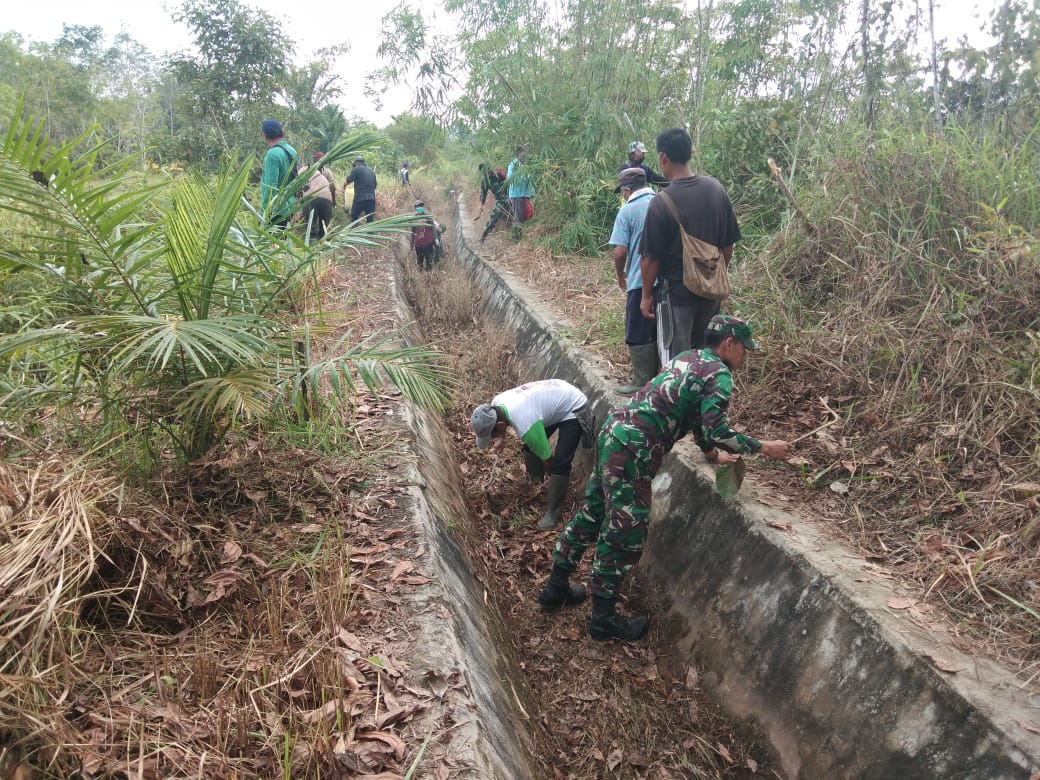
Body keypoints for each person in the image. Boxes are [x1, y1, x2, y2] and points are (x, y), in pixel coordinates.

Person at [536, 314, 791, 639]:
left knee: (593, 512)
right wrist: (765, 447)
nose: (745, 356)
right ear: (730, 343)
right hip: (635, 450)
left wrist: (711, 455)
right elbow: (717, 428)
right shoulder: (720, 375)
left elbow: (696, 416)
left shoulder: (688, 358)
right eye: (744, 348)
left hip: (615, 432)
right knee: (624, 534)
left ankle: (555, 586)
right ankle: (603, 620)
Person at [639, 128, 741, 364]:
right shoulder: (716, 190)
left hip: (677, 296)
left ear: (663, 157)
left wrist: (646, 296)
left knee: (677, 361)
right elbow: (728, 244)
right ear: (689, 154)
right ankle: (702, 397)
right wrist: (713, 273)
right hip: (711, 294)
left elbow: (650, 259)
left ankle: (678, 400)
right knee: (705, 355)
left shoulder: (661, 202)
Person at [470, 379, 594, 531]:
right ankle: (534, 482)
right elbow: (505, 424)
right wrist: (501, 437)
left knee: (560, 463)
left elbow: (547, 459)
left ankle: (554, 513)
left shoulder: (525, 424)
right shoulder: (496, 403)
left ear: (500, 425)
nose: (492, 440)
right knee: (531, 448)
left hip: (573, 406)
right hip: (556, 396)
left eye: (492, 436)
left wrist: (552, 476)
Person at [609, 167, 658, 395]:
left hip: (640, 280)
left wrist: (621, 275)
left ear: (627, 190)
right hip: (667, 282)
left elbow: (620, 252)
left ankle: (641, 381)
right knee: (661, 331)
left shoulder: (627, 211)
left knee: (638, 330)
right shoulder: (663, 202)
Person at [259, 119, 297, 228]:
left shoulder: (272, 155)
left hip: (276, 210)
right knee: (283, 242)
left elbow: (270, 187)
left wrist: (263, 212)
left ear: (265, 135)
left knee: (271, 244)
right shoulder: (292, 150)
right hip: (289, 205)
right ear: (282, 133)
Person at [506, 145, 535, 240]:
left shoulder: (523, 164)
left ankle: (520, 238)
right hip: (517, 194)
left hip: (524, 195)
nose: (525, 153)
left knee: (523, 216)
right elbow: (510, 179)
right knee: (518, 218)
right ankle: (515, 239)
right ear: (519, 153)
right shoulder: (513, 165)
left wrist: (531, 192)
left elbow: (529, 179)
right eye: (524, 151)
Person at [299, 163, 334, 239]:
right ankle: (322, 241)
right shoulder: (322, 177)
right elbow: (332, 187)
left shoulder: (303, 174)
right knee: (324, 225)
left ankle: (311, 241)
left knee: (310, 224)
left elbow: (299, 191)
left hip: (311, 198)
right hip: (327, 199)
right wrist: (334, 202)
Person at [477, 163, 510, 243]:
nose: (487, 172)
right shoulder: (485, 181)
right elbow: (483, 194)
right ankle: (483, 238)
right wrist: (481, 205)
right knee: (493, 219)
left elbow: (510, 181)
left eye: (487, 170)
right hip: (501, 202)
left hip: (510, 198)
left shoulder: (499, 174)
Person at [344, 156, 377, 223]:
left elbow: (348, 180)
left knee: (354, 217)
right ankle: (370, 232)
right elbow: (375, 185)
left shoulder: (356, 169)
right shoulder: (371, 171)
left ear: (356, 162)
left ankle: (353, 232)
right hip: (371, 198)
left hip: (360, 198)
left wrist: (344, 186)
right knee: (370, 219)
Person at [410, 199, 438, 271]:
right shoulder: (414, 219)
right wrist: (411, 244)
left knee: (429, 260)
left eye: (421, 206)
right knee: (420, 262)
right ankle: (421, 273)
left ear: (423, 207)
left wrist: (436, 238)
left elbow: (433, 228)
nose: (419, 207)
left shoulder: (428, 216)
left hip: (428, 242)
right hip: (418, 244)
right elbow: (412, 232)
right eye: (418, 206)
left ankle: (429, 276)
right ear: (415, 208)